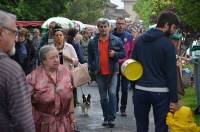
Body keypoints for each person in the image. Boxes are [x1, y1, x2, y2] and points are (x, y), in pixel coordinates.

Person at [132, 12, 180, 132]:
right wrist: (174, 100)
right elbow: (171, 74)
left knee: (141, 128)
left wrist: (135, 87)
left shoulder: (139, 40)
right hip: (161, 92)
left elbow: (133, 66)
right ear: (166, 25)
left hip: (140, 90)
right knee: (161, 128)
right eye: (174, 28)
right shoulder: (168, 45)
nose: (174, 32)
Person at [26, 45, 76, 132]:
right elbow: (25, 101)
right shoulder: (33, 77)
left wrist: (72, 114)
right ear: (43, 61)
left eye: (57, 56)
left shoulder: (66, 72)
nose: (56, 60)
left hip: (64, 123)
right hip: (42, 124)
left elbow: (70, 92)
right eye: (52, 58)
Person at [0, 10, 35, 132]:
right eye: (14, 33)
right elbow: (23, 123)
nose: (15, 39)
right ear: (1, 32)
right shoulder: (10, 71)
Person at [88, 18, 125, 128]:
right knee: (104, 97)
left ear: (109, 27)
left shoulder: (116, 40)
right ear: (98, 28)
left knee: (112, 94)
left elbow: (123, 53)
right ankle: (106, 117)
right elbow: (90, 57)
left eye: (105, 27)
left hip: (112, 72)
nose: (103, 29)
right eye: (101, 27)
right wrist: (91, 67)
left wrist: (115, 54)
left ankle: (112, 118)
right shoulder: (93, 41)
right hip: (99, 73)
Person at [112, 16, 133, 116]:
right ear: (116, 24)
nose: (120, 25)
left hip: (126, 65)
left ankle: (123, 108)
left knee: (124, 89)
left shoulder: (129, 36)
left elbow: (132, 51)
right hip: (114, 64)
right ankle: (115, 107)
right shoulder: (111, 35)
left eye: (122, 23)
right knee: (115, 88)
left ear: (125, 25)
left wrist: (131, 62)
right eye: (119, 23)